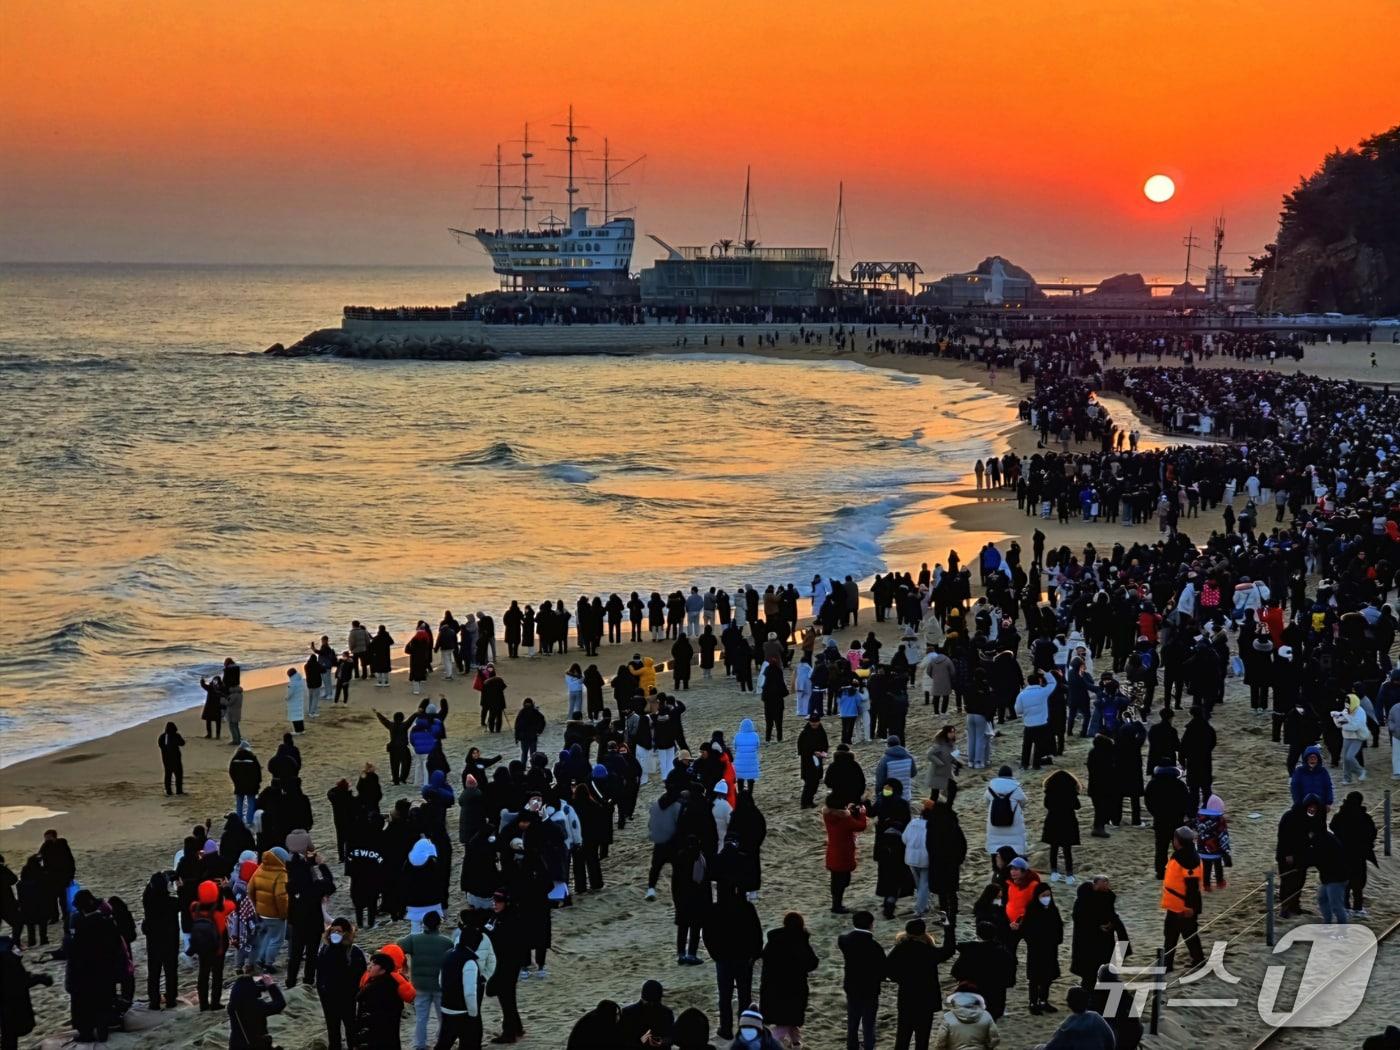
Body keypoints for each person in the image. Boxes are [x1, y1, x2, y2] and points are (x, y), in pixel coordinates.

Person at [886, 917, 958, 1050]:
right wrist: (948, 928)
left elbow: (888, 970)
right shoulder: (928, 951)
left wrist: (901, 980)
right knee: (922, 1038)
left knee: (903, 1035)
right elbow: (949, 950)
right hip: (926, 998)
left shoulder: (900, 949)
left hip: (907, 996)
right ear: (923, 932)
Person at [703, 888, 763, 1040]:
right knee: (744, 996)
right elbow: (757, 932)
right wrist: (754, 955)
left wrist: (715, 955)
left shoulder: (715, 909)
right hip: (743, 958)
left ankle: (726, 1028)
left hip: (724, 959)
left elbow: (707, 934)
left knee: (725, 996)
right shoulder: (747, 908)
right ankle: (744, 1028)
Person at [759, 911, 819, 1048]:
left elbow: (765, 958)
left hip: (772, 987)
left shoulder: (773, 939)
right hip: (793, 989)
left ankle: (796, 1043)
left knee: (788, 1019)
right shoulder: (800, 940)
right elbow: (812, 963)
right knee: (787, 1020)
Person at [1069, 876, 1129, 991]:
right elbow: (1082, 921)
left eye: (1107, 881)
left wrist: (1109, 924)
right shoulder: (1083, 902)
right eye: (1104, 882)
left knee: (1102, 971)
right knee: (1089, 975)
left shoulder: (1104, 899)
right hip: (1088, 945)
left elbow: (1110, 915)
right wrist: (1098, 926)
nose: (1107, 884)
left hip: (1102, 943)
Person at [439, 922, 492, 1050]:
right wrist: (473, 1013)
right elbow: (470, 991)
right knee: (469, 1044)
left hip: (446, 1007)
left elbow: (440, 980)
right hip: (462, 1011)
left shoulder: (448, 954)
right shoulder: (469, 961)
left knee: (443, 1043)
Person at [838, 910, 886, 1050]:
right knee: (868, 1022)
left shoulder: (844, 940)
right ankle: (868, 1046)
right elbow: (883, 971)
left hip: (852, 986)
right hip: (870, 988)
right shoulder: (875, 947)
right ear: (871, 925)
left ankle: (852, 1045)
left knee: (853, 1019)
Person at [316, 917, 367, 1050]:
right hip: (328, 998)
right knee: (333, 1030)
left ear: (346, 932)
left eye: (338, 931)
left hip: (347, 998)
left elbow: (361, 976)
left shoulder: (354, 952)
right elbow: (320, 973)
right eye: (333, 930)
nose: (335, 934)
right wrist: (321, 990)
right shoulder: (325, 949)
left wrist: (355, 994)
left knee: (351, 1029)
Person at [950, 921, 1016, 1020]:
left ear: (978, 934)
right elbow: (1010, 974)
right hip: (995, 995)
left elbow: (956, 971)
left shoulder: (970, 950)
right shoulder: (1003, 952)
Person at [1160, 826, 1204, 970]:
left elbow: (1191, 886)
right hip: (1177, 905)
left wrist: (1189, 907)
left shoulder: (1188, 859)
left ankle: (1168, 965)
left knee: (1177, 935)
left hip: (1182, 906)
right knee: (1182, 934)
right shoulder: (1183, 854)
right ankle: (1196, 960)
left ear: (1178, 841)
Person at [0, 932, 53, 1050]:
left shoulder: (6, 954)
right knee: (10, 1033)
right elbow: (20, 981)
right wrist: (41, 979)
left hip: (6, 1002)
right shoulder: (8, 961)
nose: (19, 950)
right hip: (11, 1002)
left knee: (8, 1033)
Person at [1331, 791, 1379, 916]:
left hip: (1343, 854)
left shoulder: (1340, 815)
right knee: (1358, 882)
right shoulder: (1364, 817)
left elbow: (1332, 826)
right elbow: (1372, 833)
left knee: (1345, 881)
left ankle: (1345, 906)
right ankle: (1357, 908)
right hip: (1359, 855)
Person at [357, 950, 414, 1049]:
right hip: (388, 1033)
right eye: (370, 964)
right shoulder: (392, 981)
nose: (369, 967)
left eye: (374, 965)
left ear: (383, 970)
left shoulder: (381, 986)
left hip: (379, 1033)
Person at [1020, 882, 1062, 1014]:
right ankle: (1033, 1002)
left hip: (1050, 948)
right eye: (1043, 895)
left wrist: (1056, 940)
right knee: (1035, 977)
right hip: (1036, 949)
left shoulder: (1053, 909)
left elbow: (1058, 927)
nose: (1046, 898)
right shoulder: (1032, 909)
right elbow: (1025, 929)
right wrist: (1034, 941)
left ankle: (1043, 1001)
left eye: (1048, 895)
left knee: (1048, 976)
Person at [823, 794, 869, 914]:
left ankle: (836, 904)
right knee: (843, 880)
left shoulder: (827, 815)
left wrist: (848, 810)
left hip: (833, 851)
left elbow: (841, 815)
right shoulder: (845, 819)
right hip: (844, 853)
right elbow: (861, 826)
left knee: (836, 879)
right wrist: (863, 813)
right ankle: (837, 906)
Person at [227, 966, 287, 1050]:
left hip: (235, 1045)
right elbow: (280, 1004)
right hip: (254, 1045)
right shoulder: (256, 1006)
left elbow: (247, 988)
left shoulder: (231, 1006)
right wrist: (271, 985)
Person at [1040, 769, 1081, 884]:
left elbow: (1046, 805)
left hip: (1053, 820)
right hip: (1068, 821)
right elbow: (1077, 806)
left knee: (1054, 848)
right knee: (1067, 850)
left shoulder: (1050, 792)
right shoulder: (1071, 792)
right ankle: (1069, 874)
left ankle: (1054, 872)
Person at [1041, 985, 1114, 1049]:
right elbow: (1110, 1039)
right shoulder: (1096, 1017)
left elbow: (1052, 1046)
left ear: (1069, 1003)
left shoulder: (1067, 1025)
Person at [983, 766, 1027, 862]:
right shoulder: (1016, 788)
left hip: (995, 823)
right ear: (1011, 775)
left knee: (995, 849)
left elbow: (986, 801)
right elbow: (1024, 801)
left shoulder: (990, 788)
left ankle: (997, 871)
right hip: (1013, 822)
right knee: (1015, 851)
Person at [931, 988, 999, 1049]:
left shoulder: (948, 1017)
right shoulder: (985, 1015)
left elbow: (941, 1041)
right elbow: (995, 1038)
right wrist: (987, 1047)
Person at [618, 979, 674, 1048]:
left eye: (655, 1002)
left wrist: (664, 1041)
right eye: (650, 1002)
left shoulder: (628, 1012)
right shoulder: (666, 1012)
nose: (652, 1005)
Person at [159, 722, 185, 795]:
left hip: (166, 758)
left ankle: (168, 790)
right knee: (178, 774)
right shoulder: (176, 736)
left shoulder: (162, 737)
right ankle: (179, 790)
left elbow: (161, 745)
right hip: (176, 758)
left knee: (168, 774)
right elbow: (182, 743)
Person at [286, 667, 307, 733]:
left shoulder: (292, 683)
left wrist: (286, 698)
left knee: (294, 717)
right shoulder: (300, 680)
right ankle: (302, 730)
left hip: (294, 701)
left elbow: (290, 693)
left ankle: (297, 731)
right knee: (299, 716)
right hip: (299, 700)